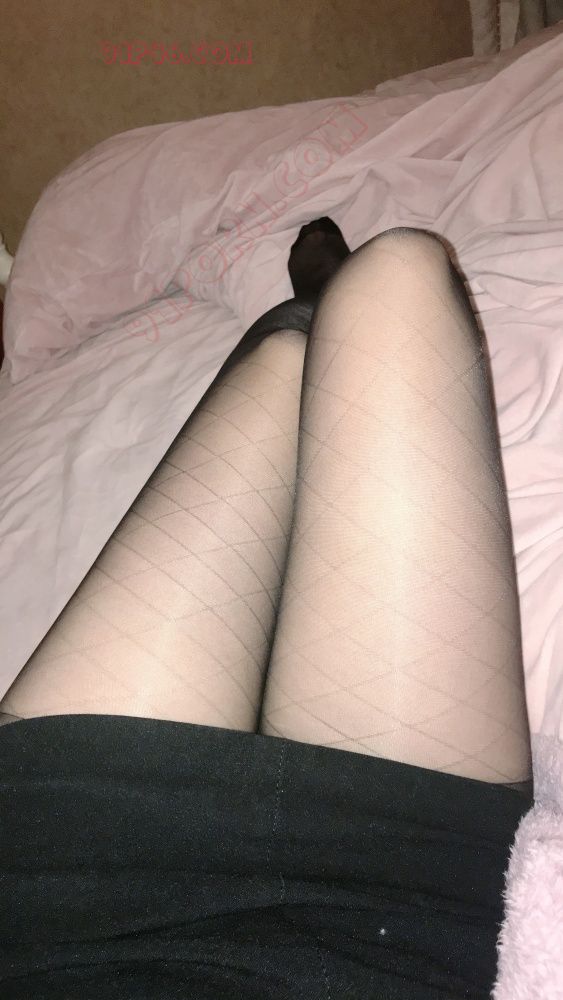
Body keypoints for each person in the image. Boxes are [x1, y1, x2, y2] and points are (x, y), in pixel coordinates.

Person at [0, 226, 532, 1000]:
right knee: (399, 278)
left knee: (296, 344)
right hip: (382, 917)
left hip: (58, 894)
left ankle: (305, 309)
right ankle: (315, 310)